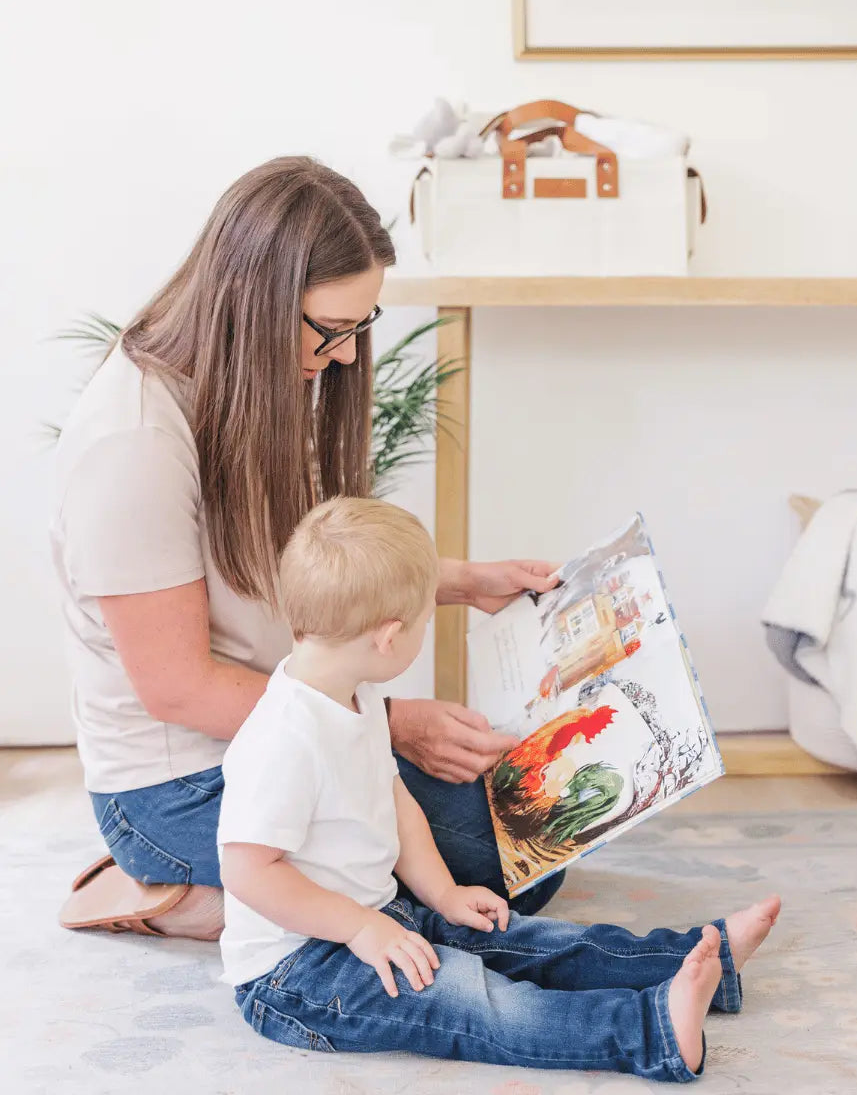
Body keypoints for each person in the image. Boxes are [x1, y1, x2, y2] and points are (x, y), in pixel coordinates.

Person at [53, 157, 561, 940]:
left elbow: (308, 562)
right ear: (252, 304)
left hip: (288, 728)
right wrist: (383, 723)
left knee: (538, 837)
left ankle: (266, 896)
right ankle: (167, 886)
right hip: (176, 781)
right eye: (333, 331)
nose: (350, 357)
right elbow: (178, 690)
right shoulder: (133, 445)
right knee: (499, 868)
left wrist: (457, 580)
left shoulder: (255, 379)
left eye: (362, 328)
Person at [219, 497, 781, 1081]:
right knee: (477, 1000)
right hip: (296, 973)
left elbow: (395, 801)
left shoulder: (354, 699)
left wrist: (441, 895)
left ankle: (699, 958)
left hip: (382, 913)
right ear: (389, 637)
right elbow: (250, 871)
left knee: (524, 938)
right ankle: (649, 1032)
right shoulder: (281, 739)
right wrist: (361, 927)